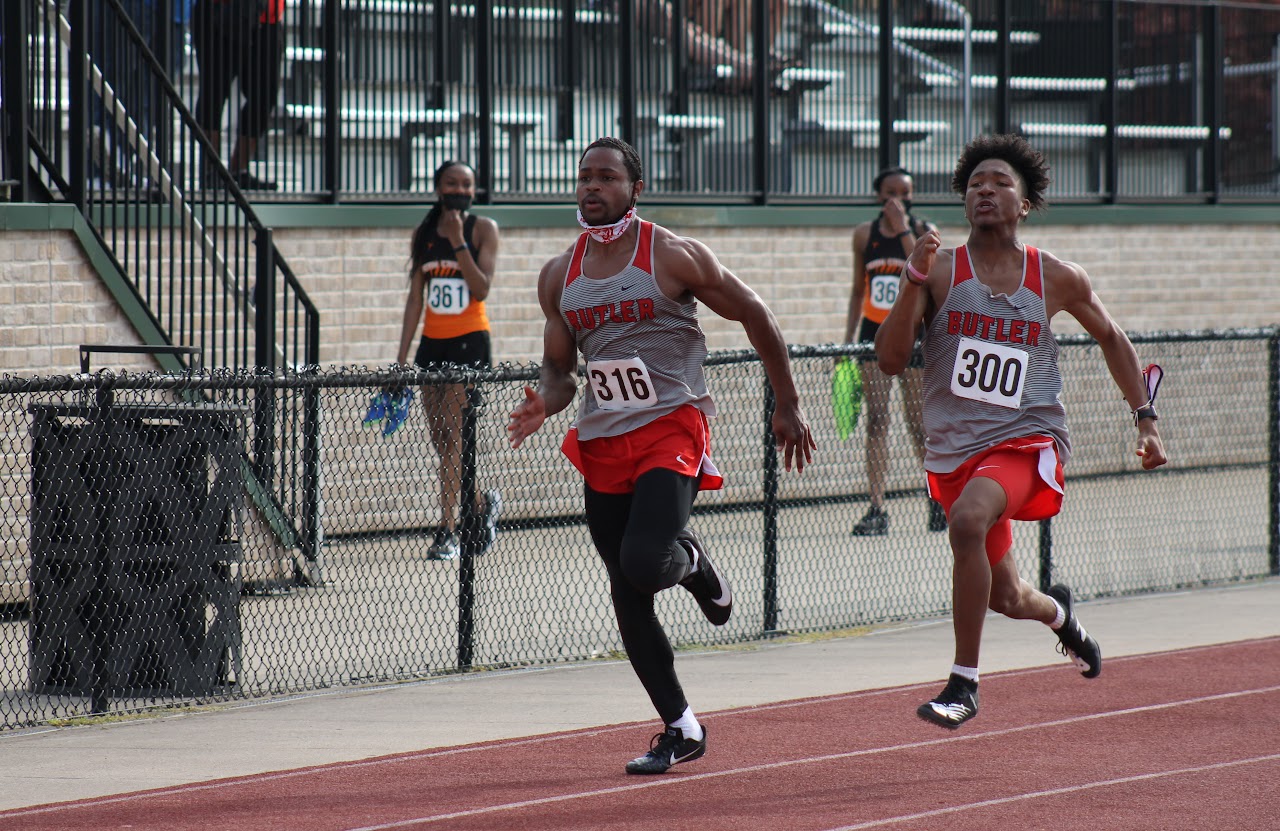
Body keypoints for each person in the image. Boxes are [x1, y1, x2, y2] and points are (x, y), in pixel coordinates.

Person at [507, 136, 815, 774]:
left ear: (634, 188)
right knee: (627, 587)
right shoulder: (558, 276)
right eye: (584, 177)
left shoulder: (670, 254)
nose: (592, 187)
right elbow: (562, 367)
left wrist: (786, 403)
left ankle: (694, 561)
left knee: (647, 560)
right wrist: (548, 399)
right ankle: (681, 726)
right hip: (604, 437)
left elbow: (754, 311)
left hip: (672, 424)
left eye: (607, 178)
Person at [875, 134, 1167, 729]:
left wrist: (1145, 419)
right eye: (976, 182)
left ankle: (963, 683)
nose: (986, 190)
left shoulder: (1054, 276)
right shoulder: (939, 270)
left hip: (1028, 441)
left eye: (1001, 182)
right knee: (1007, 597)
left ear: (1025, 202)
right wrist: (911, 280)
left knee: (966, 521)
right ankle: (1062, 617)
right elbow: (888, 358)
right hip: (957, 450)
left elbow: (1111, 337)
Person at [395, 160, 502, 561]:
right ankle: (480, 505)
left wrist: (459, 241)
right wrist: (402, 357)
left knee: (457, 439)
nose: (460, 189)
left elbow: (481, 288)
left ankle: (447, 529)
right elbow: (415, 299)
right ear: (439, 188)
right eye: (452, 183)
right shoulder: (423, 233)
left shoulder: (482, 229)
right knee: (442, 442)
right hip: (432, 346)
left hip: (469, 344)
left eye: (467, 184)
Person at [844, 167, 947, 536]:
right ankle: (876, 506)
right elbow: (859, 290)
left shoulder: (923, 231)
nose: (896, 200)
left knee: (920, 424)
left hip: (914, 336)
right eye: (890, 193)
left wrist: (903, 227)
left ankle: (936, 499)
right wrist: (848, 341)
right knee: (877, 421)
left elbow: (926, 272)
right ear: (877, 195)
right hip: (874, 333)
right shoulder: (864, 234)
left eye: (904, 194)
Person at [191, 0, 284, 190]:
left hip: (268, 17)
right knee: (214, 90)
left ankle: (238, 171)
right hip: (221, 11)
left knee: (266, 92)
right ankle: (210, 172)